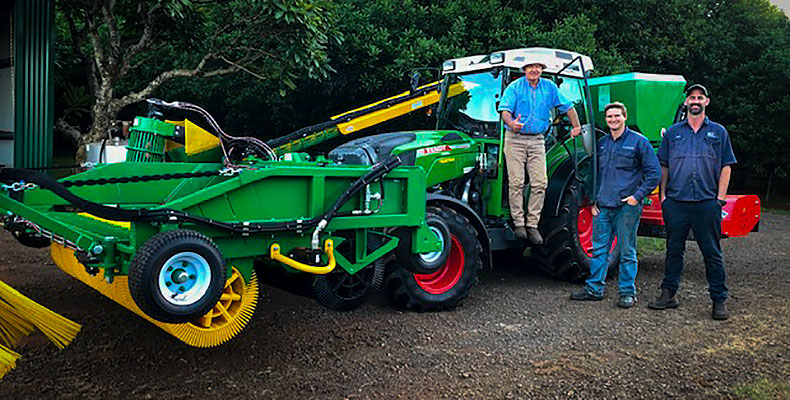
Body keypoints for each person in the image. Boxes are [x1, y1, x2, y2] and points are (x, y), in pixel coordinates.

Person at [648, 84, 736, 320]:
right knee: (674, 250)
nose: (695, 101)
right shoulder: (673, 133)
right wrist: (663, 196)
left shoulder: (718, 132)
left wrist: (720, 198)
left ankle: (718, 300)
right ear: (686, 102)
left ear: (706, 102)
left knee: (712, 252)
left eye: (700, 97)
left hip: (707, 202)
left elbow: (726, 165)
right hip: (676, 201)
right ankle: (668, 294)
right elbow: (663, 165)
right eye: (692, 97)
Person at [569, 102, 660, 308]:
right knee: (599, 250)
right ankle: (594, 289)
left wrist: (636, 196)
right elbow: (594, 174)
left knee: (627, 250)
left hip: (626, 207)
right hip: (603, 206)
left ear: (624, 117)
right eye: (609, 116)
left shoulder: (639, 142)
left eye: (617, 116)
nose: (613, 119)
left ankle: (627, 292)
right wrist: (592, 200)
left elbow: (654, 173)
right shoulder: (602, 144)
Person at [498, 58, 581, 244]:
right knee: (517, 182)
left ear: (542, 70)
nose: (534, 70)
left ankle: (532, 224)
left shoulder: (550, 88)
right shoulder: (514, 87)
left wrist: (576, 126)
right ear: (525, 69)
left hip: (537, 140)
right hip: (515, 139)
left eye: (538, 67)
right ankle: (519, 224)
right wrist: (512, 123)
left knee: (540, 183)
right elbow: (504, 111)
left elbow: (568, 106)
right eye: (531, 67)